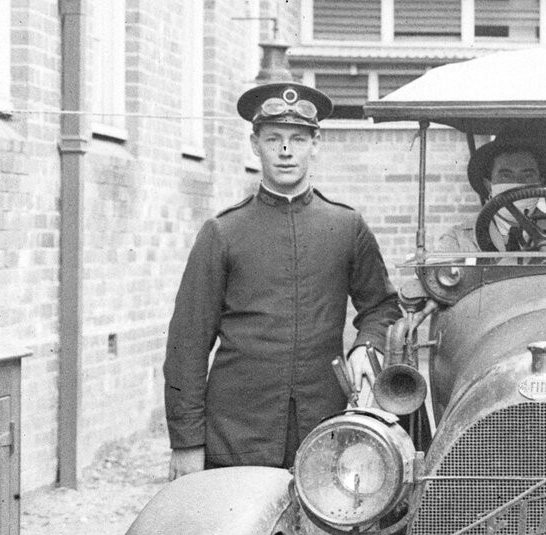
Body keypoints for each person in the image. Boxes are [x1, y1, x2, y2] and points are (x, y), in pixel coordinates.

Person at [163, 73, 401, 476]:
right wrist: (187, 441)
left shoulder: (346, 227)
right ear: (255, 144)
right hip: (235, 435)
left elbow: (382, 306)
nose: (286, 151)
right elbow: (186, 345)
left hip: (322, 429)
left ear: (317, 144)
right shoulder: (223, 233)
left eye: (299, 139)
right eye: (274, 139)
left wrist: (367, 345)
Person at [446, 135, 546, 252]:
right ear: (489, 185)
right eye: (506, 175)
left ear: (540, 184)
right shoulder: (458, 240)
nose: (518, 183)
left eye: (527, 175)